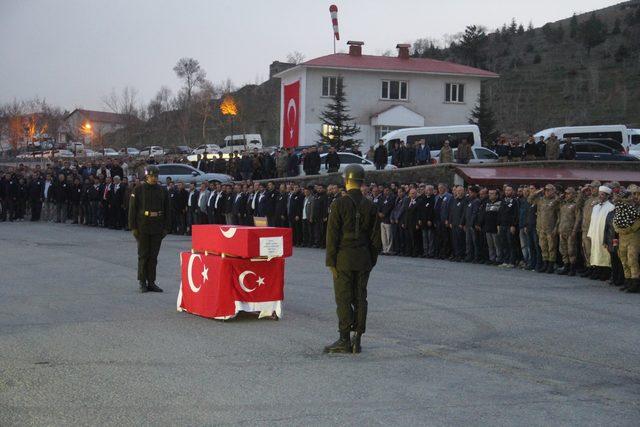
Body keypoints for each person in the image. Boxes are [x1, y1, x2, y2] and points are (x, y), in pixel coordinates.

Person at [324, 164, 381, 354]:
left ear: (347, 180)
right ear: (362, 182)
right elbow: (375, 239)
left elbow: (332, 236)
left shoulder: (338, 204)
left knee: (343, 298)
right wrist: (371, 260)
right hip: (363, 256)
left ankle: (344, 338)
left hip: (344, 258)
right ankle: (358, 338)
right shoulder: (370, 205)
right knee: (360, 298)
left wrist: (330, 261)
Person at [128, 165, 171, 293]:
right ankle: (142, 282)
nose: (154, 178)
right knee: (143, 255)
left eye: (156, 176)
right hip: (143, 226)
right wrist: (133, 227)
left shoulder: (162, 190)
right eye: (152, 176)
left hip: (157, 226)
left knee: (153, 256)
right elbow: (132, 210)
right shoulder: (138, 189)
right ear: (147, 176)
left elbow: (168, 210)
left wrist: (166, 228)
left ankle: (151, 282)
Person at [615, 185, 640, 292]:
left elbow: (638, 222)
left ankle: (635, 282)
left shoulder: (637, 208)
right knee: (624, 259)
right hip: (622, 237)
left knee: (632, 260)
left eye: (636, 194)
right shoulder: (621, 206)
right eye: (632, 194)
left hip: (633, 237)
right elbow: (615, 220)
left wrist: (628, 229)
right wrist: (619, 229)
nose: (634, 196)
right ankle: (628, 281)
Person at [587, 186, 615, 281]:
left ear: (607, 196)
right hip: (595, 234)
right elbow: (592, 221)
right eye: (599, 194)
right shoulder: (595, 207)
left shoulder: (611, 207)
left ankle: (605, 272)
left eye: (602, 195)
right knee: (595, 252)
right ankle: (597, 270)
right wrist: (590, 234)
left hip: (604, 234)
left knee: (604, 254)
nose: (600, 196)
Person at [556, 187, 581, 276]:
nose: (567, 195)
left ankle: (572, 268)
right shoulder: (563, 204)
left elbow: (578, 219)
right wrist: (560, 197)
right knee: (563, 250)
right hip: (562, 230)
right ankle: (566, 266)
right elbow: (555, 203)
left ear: (573, 195)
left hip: (570, 231)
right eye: (566, 193)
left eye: (569, 193)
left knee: (571, 250)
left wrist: (574, 231)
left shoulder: (575, 205)